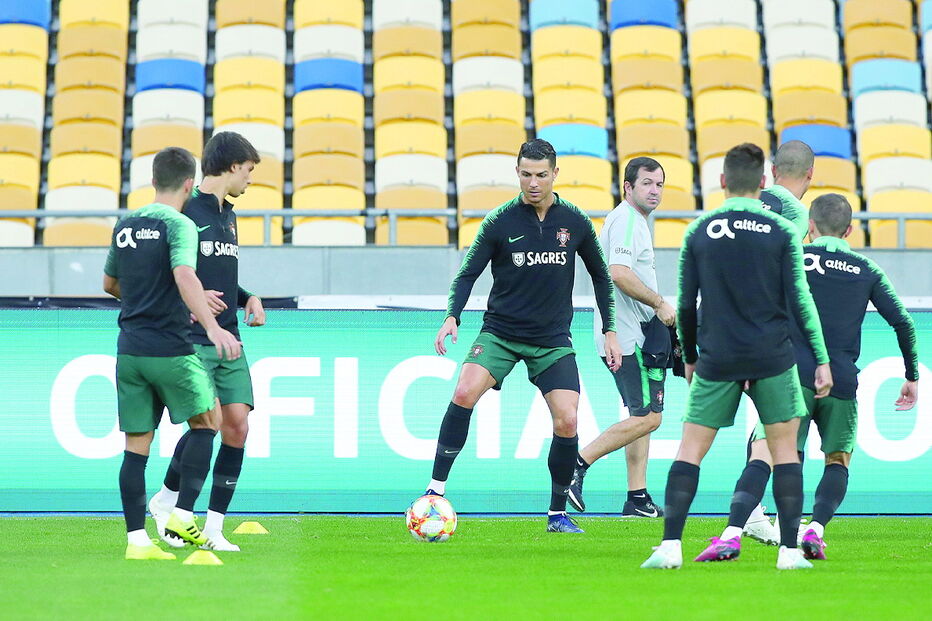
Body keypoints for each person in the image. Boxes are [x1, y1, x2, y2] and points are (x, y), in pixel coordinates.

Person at [640, 143, 832, 571]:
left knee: (691, 450)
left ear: (723, 182)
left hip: (719, 353)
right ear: (764, 183)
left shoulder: (699, 231)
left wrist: (689, 355)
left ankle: (670, 546)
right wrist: (820, 357)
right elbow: (800, 300)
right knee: (783, 451)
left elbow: (686, 304)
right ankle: (787, 552)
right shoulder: (784, 231)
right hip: (772, 354)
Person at [424, 138, 621, 533]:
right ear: (517, 173)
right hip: (501, 331)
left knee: (567, 420)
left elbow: (602, 275)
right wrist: (452, 316)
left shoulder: (576, 221)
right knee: (463, 392)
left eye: (541, 175)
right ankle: (434, 492)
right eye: (526, 175)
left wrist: (610, 329)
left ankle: (556, 513)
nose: (533, 183)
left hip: (552, 339)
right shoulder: (499, 221)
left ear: (555, 174)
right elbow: (467, 274)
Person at [728, 194, 919, 560]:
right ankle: (814, 528)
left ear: (810, 227)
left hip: (789, 376)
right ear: (850, 230)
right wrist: (911, 374)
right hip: (841, 380)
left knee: (767, 454)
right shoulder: (866, 269)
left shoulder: (790, 258)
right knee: (837, 459)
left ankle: (732, 532)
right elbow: (904, 323)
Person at [103, 147, 242, 560]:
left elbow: (109, 283)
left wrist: (145, 298)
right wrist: (212, 325)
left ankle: (137, 543)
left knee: (136, 446)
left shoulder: (125, 225)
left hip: (129, 349)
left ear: (152, 181)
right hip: (170, 347)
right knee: (210, 420)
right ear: (188, 184)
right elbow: (184, 274)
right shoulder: (180, 224)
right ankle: (181, 514)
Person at [148, 132, 265, 552]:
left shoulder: (229, 215)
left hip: (229, 336)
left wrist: (246, 295)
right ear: (233, 165)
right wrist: (194, 306)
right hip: (192, 339)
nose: (250, 180)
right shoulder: (184, 211)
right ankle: (176, 510)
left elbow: (218, 276)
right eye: (249, 170)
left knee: (237, 425)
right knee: (207, 423)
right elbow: (167, 272)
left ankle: (212, 526)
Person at [568, 157, 675, 518]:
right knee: (650, 418)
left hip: (635, 334)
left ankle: (637, 497)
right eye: (646, 183)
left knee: (639, 415)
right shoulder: (627, 220)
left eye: (659, 184)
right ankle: (577, 464)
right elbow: (619, 273)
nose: (654, 190)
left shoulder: (633, 221)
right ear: (627, 186)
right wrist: (659, 303)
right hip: (627, 338)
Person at [739, 140, 817, 544]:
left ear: (771, 171)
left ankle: (751, 512)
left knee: (760, 424)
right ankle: (748, 516)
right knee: (776, 422)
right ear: (811, 174)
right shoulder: (796, 212)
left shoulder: (749, 201)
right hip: (765, 328)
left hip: (726, 322)